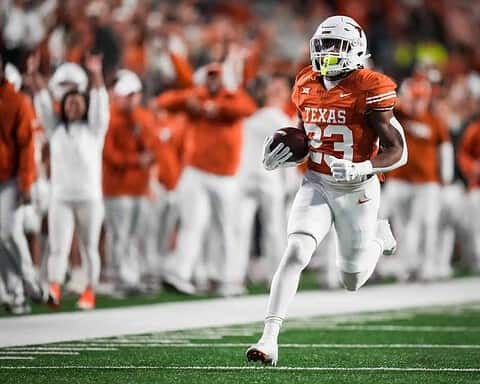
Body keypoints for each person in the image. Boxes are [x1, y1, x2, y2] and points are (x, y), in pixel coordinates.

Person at [246, 15, 407, 365]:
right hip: (317, 182)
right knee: (295, 251)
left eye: (337, 45)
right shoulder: (305, 80)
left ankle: (380, 237)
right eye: (324, 44)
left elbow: (398, 150)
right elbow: (309, 137)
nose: (328, 52)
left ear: (357, 50)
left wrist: (362, 166)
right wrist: (283, 156)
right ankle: (269, 339)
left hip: (358, 188)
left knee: (352, 278)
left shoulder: (371, 86)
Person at [156, 63, 256, 296]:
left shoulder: (232, 96)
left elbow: (247, 108)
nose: (213, 81)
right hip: (197, 172)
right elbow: (164, 102)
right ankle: (180, 273)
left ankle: (226, 277)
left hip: (226, 176)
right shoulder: (196, 95)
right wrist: (192, 100)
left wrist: (213, 106)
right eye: (210, 77)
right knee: (193, 223)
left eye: (216, 77)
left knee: (227, 227)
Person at [31, 53, 109, 310]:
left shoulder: (95, 131)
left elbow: (101, 104)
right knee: (58, 246)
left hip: (89, 197)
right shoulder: (56, 131)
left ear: (85, 106)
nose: (73, 107)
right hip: (61, 197)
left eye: (78, 103)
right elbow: (42, 103)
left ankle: (89, 291)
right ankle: (53, 286)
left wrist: (96, 73)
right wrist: (33, 73)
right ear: (63, 107)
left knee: (89, 248)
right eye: (69, 103)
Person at [380, 74, 453, 281]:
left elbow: (444, 149)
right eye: (414, 97)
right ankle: (407, 266)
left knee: (427, 223)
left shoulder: (434, 121)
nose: (417, 102)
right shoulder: (398, 115)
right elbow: (383, 103)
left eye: (421, 98)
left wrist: (445, 178)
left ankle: (427, 265)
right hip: (400, 179)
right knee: (401, 226)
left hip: (427, 183)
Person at [102, 69, 159, 295]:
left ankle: (132, 277)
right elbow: (110, 155)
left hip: (139, 187)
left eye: (133, 94)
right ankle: (119, 278)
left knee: (135, 235)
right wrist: (137, 160)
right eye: (127, 95)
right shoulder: (109, 117)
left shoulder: (142, 117)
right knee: (119, 235)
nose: (130, 99)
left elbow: (153, 149)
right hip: (117, 187)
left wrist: (138, 128)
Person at [234, 75, 293, 288]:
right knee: (269, 228)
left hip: (255, 176)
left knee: (249, 227)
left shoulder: (256, 117)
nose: (277, 92)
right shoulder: (273, 116)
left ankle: (236, 276)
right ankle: (272, 277)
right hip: (262, 177)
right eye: (274, 87)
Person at [0, 53, 37, 314]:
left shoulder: (17, 101)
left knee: (8, 233)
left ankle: (29, 281)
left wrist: (25, 182)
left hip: (9, 178)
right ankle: (15, 294)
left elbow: (26, 146)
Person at [458, 117, 480, 273]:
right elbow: (463, 154)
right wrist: (472, 167)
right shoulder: (475, 128)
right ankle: (477, 261)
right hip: (477, 187)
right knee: (476, 228)